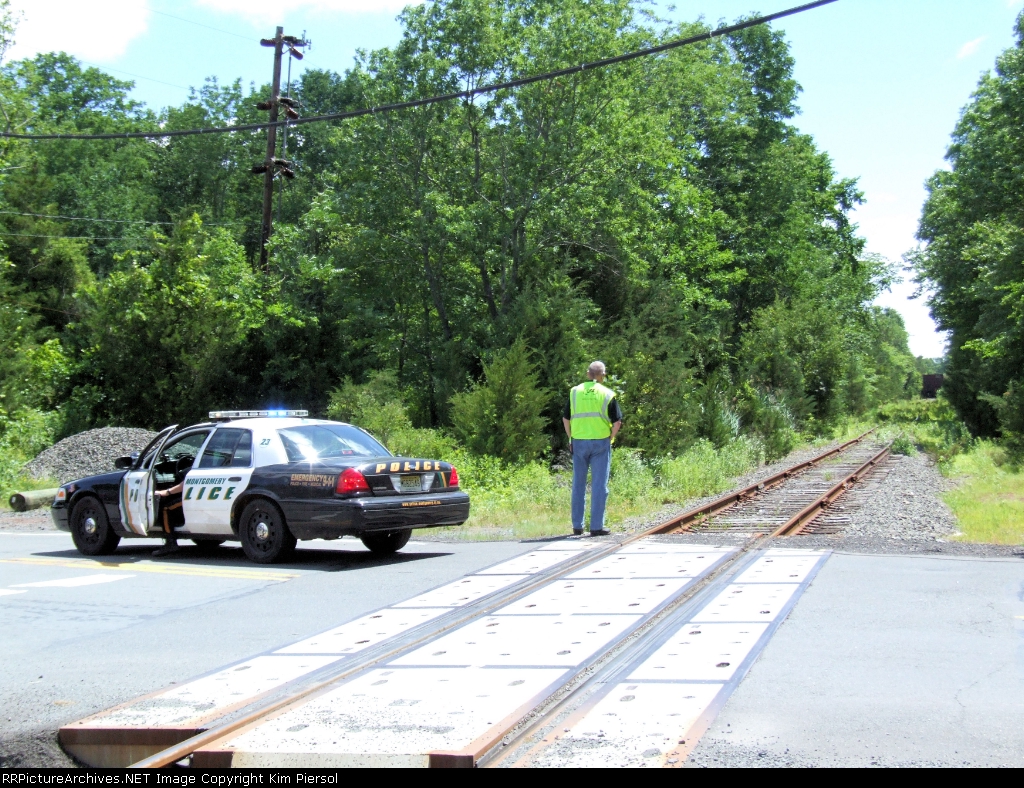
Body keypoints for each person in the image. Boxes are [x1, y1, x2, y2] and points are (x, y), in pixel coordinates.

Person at [562, 361, 623, 536]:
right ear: (602, 375)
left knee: (578, 484)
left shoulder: (575, 392)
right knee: (599, 485)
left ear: (588, 374)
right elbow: (617, 422)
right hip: (600, 443)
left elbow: (566, 418)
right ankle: (596, 527)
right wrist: (610, 438)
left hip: (579, 442)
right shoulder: (607, 394)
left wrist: (571, 438)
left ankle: (577, 526)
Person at [152, 482, 184, 557]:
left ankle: (170, 542)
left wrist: (167, 492)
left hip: (195, 498)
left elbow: (186, 484)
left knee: (166, 509)